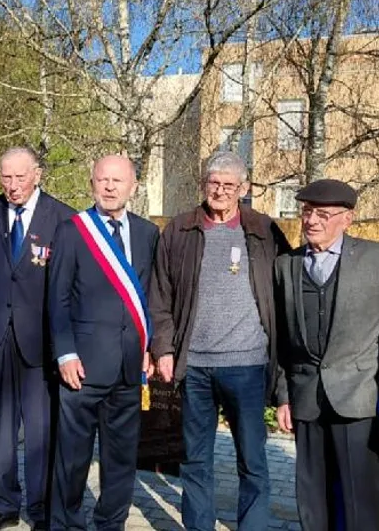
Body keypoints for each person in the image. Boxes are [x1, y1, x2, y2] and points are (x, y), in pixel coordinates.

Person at [148, 151, 290, 531]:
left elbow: (287, 290)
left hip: (248, 365)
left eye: (230, 185)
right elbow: (159, 296)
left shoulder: (265, 230)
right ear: (203, 184)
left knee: (252, 460)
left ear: (243, 188)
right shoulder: (179, 230)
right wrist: (162, 347)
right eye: (215, 183)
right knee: (195, 459)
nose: (221, 191)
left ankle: (254, 526)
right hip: (193, 366)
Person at [272, 179, 379, 531]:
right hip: (305, 398)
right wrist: (283, 396)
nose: (312, 221)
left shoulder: (378, 258)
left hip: (357, 397)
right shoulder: (285, 266)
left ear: (347, 219)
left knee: (359, 498)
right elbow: (280, 340)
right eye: (307, 212)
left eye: (323, 214)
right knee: (311, 494)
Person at [49, 155, 159, 530]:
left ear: (133, 187)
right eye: (102, 180)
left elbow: (151, 298)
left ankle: (111, 523)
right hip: (82, 367)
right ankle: (66, 524)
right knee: (72, 459)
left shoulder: (147, 234)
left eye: (117, 180)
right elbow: (57, 298)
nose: (109, 187)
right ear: (92, 183)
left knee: (121, 459)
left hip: (129, 368)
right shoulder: (72, 230)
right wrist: (64, 353)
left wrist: (150, 348)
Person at [0, 146, 74, 531]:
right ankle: (3, 504)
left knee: (41, 428)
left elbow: (67, 287)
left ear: (38, 175)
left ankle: (42, 508)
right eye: (5, 178)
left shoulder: (63, 219)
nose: (11, 186)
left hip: (41, 341)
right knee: (1, 425)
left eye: (20, 177)